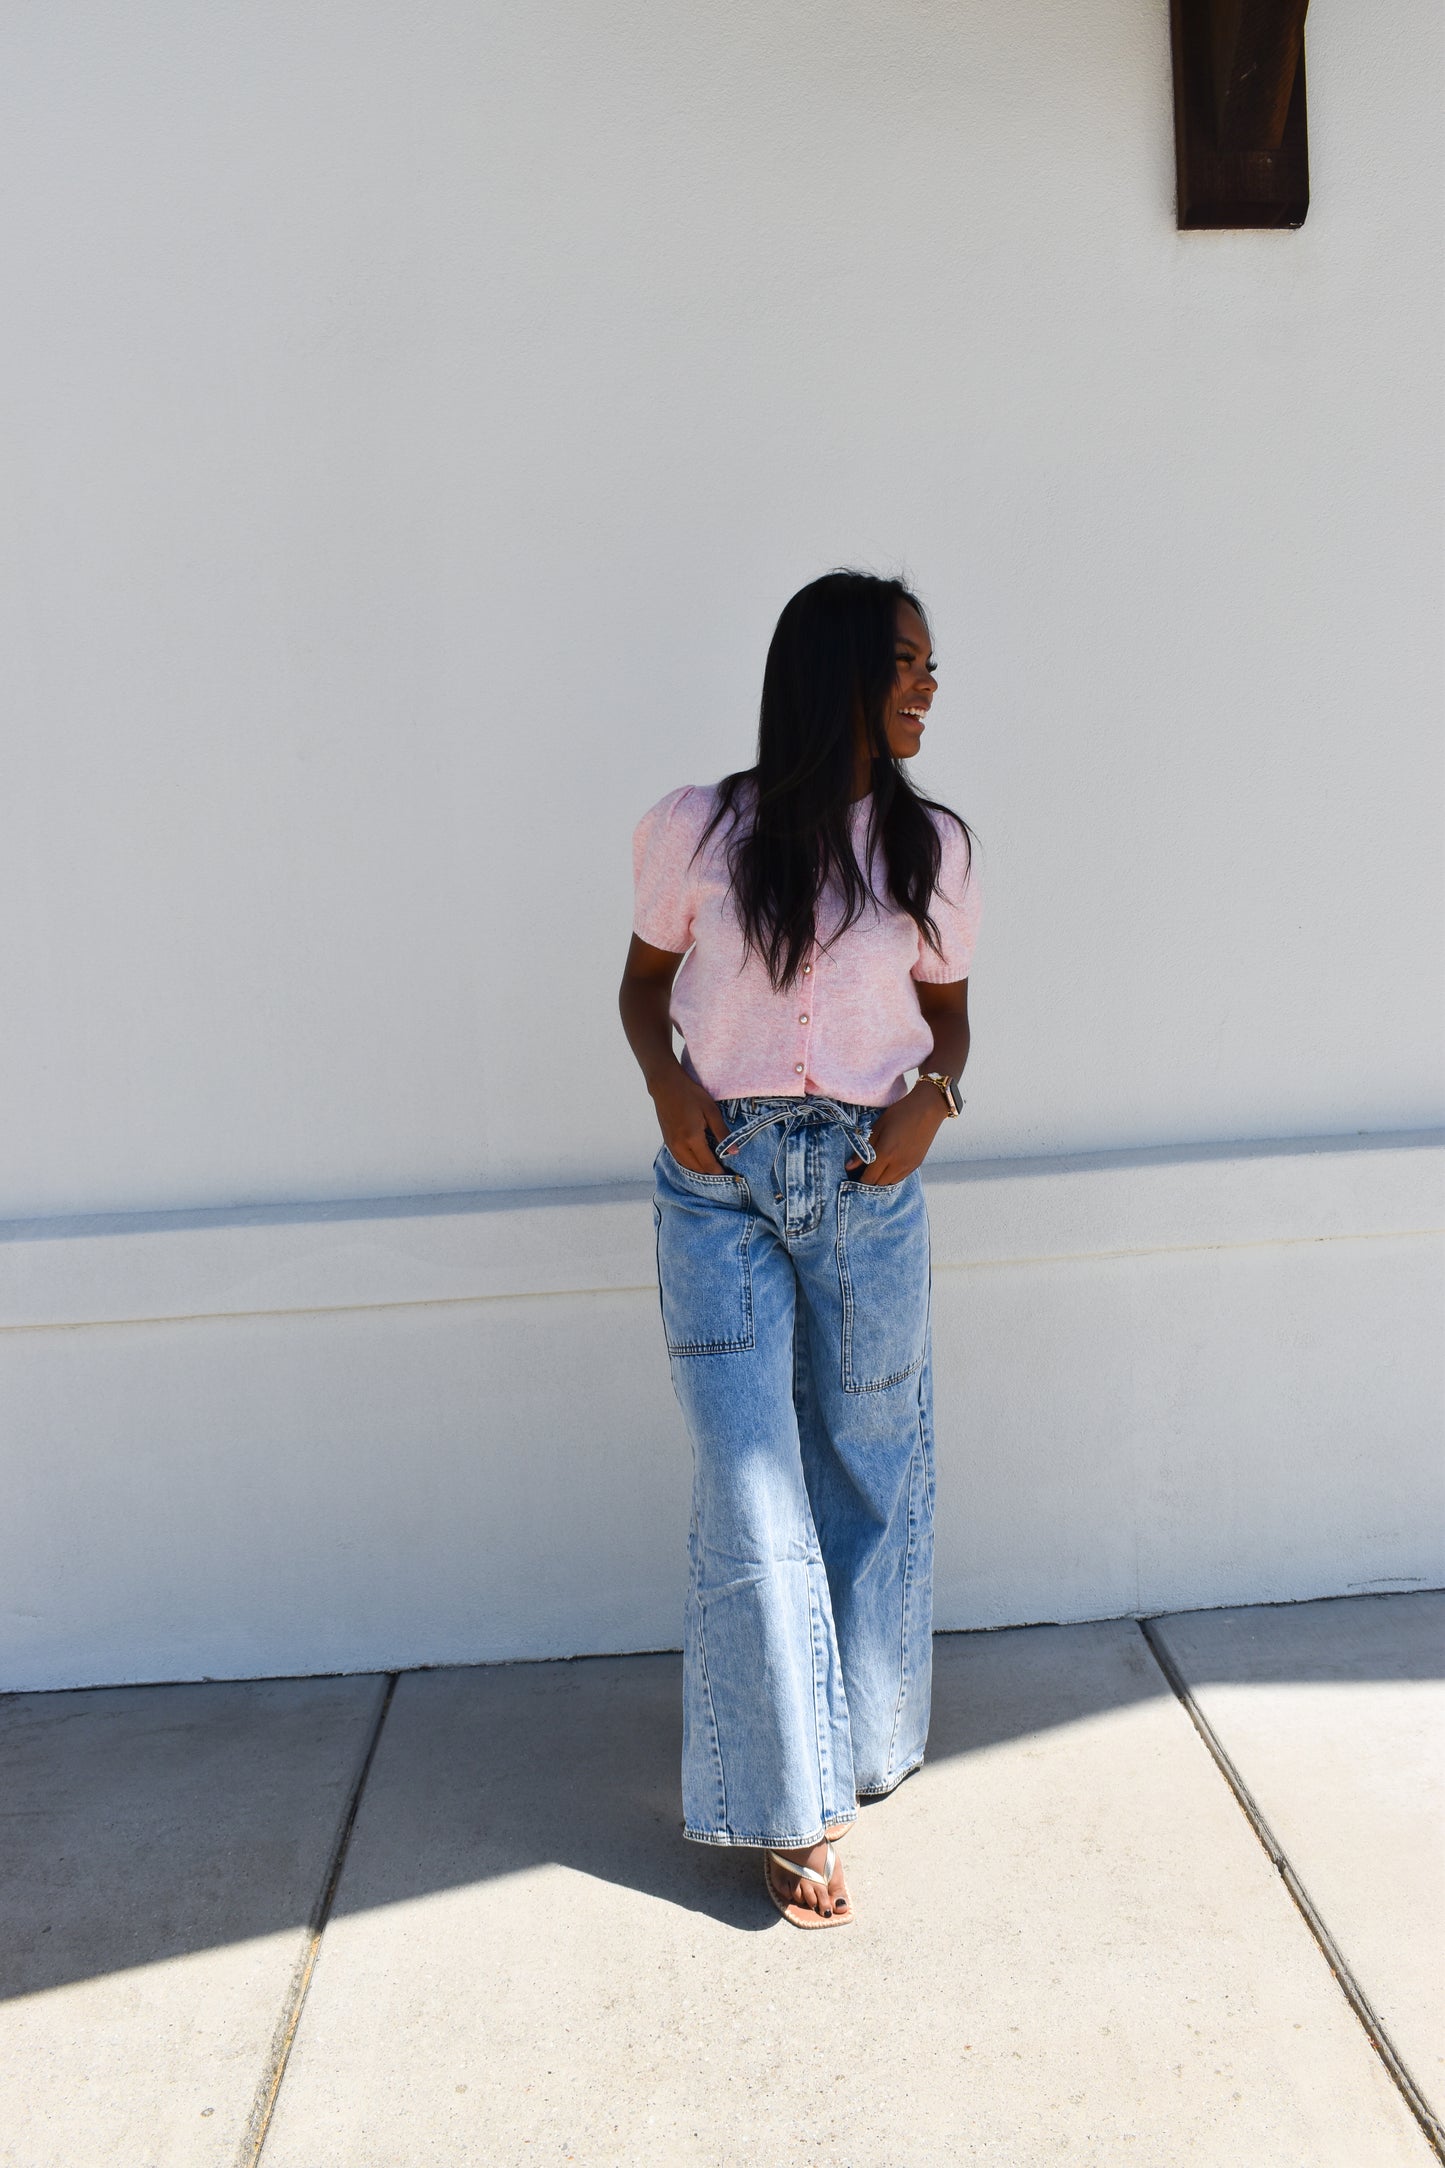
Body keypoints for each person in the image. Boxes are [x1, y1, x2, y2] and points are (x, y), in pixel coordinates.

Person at [618, 570, 980, 1928]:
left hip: (871, 1179)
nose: (928, 687)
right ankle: (796, 1804)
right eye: (905, 663)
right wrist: (668, 1090)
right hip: (716, 1187)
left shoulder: (930, 847)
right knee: (749, 1479)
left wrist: (930, 1110)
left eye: (932, 667)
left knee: (870, 1459)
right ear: (832, 670)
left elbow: (949, 1019)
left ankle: (860, 1742)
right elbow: (642, 986)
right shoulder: (696, 829)